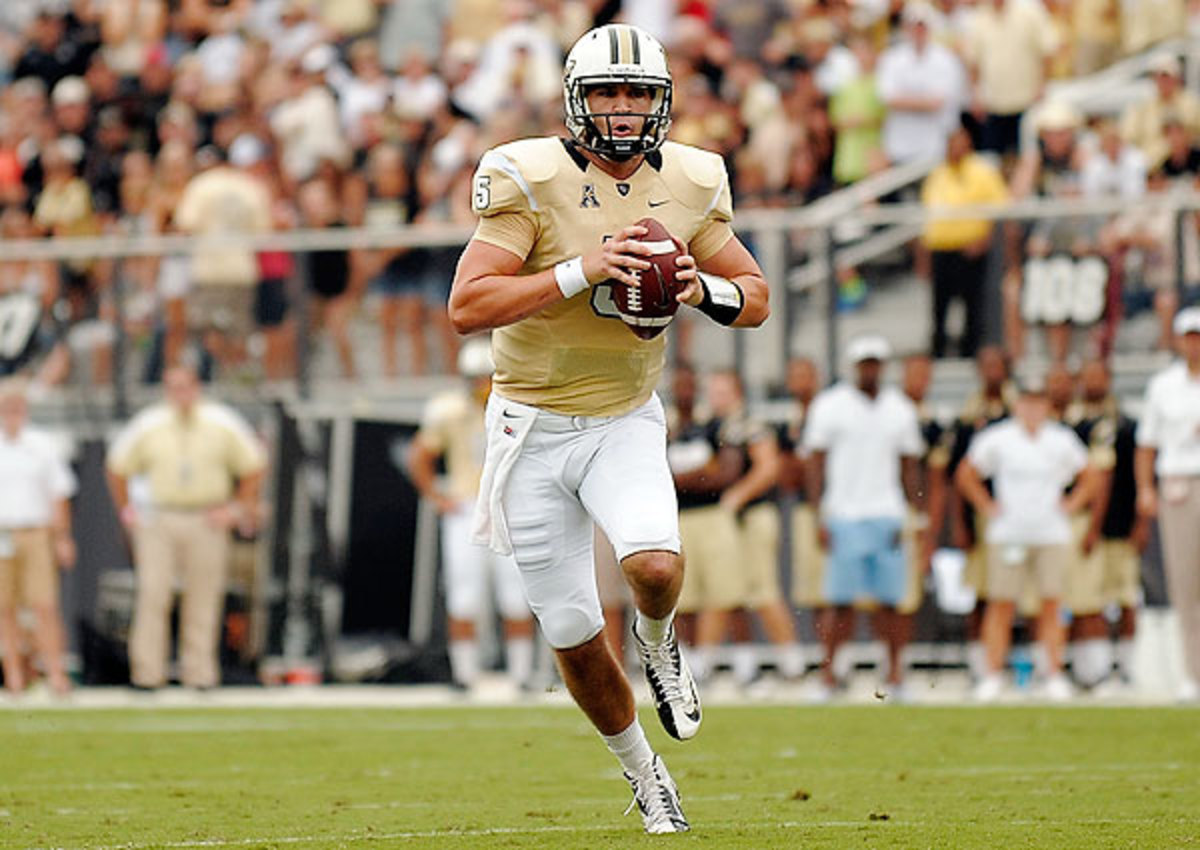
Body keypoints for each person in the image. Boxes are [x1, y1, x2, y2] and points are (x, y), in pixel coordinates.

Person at [449, 24, 769, 834]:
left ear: (662, 101)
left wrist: (704, 291)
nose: (622, 109)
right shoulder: (527, 173)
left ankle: (659, 641)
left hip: (624, 416)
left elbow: (755, 295)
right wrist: (581, 269)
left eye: (637, 93)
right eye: (605, 93)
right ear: (574, 98)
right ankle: (644, 771)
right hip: (529, 424)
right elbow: (467, 306)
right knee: (570, 629)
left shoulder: (693, 178)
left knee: (655, 568)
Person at [106, 364, 266, 690]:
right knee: (153, 593)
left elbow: (254, 465)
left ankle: (200, 674)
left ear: (196, 388)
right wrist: (127, 511)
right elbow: (117, 467)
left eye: (184, 386)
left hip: (206, 517)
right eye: (172, 387)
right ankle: (147, 673)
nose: (179, 394)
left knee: (204, 596)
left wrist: (236, 508)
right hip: (160, 516)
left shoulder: (221, 422)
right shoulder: (149, 424)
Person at [956, 375, 1095, 702]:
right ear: (1017, 404)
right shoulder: (998, 438)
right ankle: (992, 674)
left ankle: (1054, 673)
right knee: (1001, 603)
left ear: (1047, 406)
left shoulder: (1061, 439)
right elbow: (966, 473)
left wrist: (1072, 504)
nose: (1032, 409)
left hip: (1050, 532)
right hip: (1009, 533)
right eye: (1027, 402)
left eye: (1038, 402)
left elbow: (1090, 475)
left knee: (1052, 603)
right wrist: (986, 506)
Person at [407, 337, 535, 692]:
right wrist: (437, 496)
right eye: (475, 377)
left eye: (486, 376)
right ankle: (464, 675)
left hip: (510, 508)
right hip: (467, 507)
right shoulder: (450, 412)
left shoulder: (519, 406)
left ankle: (521, 675)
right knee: (465, 595)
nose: (481, 385)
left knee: (516, 595)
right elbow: (419, 456)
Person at [804, 335, 924, 701]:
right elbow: (815, 463)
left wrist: (911, 513)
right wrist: (818, 514)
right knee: (839, 602)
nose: (870, 369)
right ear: (854, 366)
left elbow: (908, 466)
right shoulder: (830, 405)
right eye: (864, 363)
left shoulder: (900, 408)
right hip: (844, 513)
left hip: (887, 513)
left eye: (875, 363)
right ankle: (829, 677)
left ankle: (896, 675)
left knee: (890, 603)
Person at [1135, 307, 1200, 702]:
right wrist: (1146, 489)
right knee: (1185, 582)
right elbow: (1147, 444)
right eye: (1189, 335)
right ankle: (1192, 674)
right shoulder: (1163, 385)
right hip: (1178, 484)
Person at [1068, 359, 1145, 691]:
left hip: (1120, 525)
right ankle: (1094, 670)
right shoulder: (1072, 425)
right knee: (1088, 600)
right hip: (1085, 526)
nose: (1092, 381)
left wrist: (1141, 521)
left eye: (1098, 375)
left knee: (1125, 597)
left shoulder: (1127, 425)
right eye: (1087, 375)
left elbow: (1138, 477)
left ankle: (1126, 668)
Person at [0, 378, 76, 696]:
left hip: (36, 533)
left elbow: (59, 493)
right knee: (4, 608)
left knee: (44, 605)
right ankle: (14, 676)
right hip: (2, 533)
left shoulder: (43, 444)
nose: (12, 413)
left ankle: (56, 673)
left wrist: (62, 537)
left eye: (17, 407)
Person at [921, 124, 1009, 358]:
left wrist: (985, 240)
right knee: (939, 307)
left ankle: (970, 352)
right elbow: (927, 215)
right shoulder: (937, 174)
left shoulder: (983, 172)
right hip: (940, 249)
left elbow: (999, 212)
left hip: (972, 250)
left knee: (973, 305)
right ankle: (938, 351)